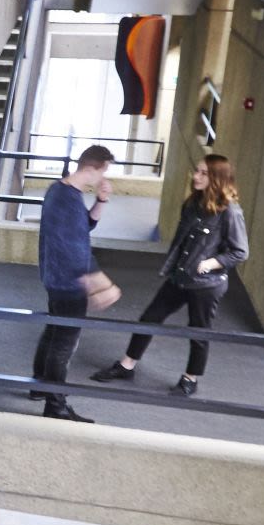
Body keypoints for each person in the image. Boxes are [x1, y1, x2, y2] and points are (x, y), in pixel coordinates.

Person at [92, 154, 248, 397]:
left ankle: (190, 379)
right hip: (181, 276)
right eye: (196, 171)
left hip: (207, 284)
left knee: (198, 331)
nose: (196, 176)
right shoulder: (193, 203)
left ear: (217, 178)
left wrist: (211, 263)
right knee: (150, 317)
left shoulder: (229, 212)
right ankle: (126, 365)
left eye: (203, 173)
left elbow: (240, 252)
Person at [32, 144, 122, 422]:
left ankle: (39, 385)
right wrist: (99, 280)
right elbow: (73, 247)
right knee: (64, 343)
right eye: (103, 171)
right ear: (93, 167)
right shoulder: (67, 198)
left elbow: (83, 227)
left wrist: (102, 201)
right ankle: (55, 405)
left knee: (54, 331)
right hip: (68, 282)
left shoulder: (61, 192)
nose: (102, 178)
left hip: (56, 277)